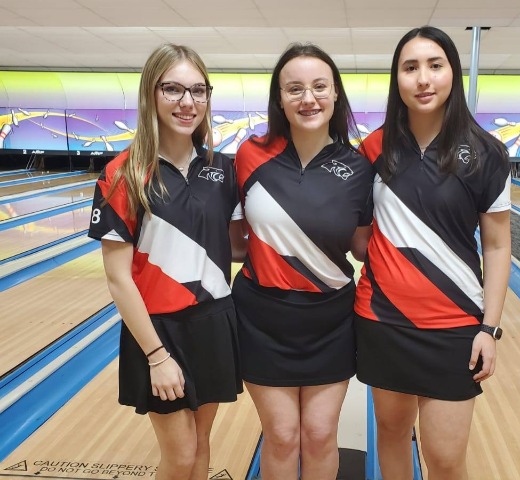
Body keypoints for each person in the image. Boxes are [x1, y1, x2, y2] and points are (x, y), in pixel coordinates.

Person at [355, 26, 511, 479]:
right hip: (384, 321)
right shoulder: (373, 149)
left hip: (455, 326)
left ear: (452, 74)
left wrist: (490, 328)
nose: (423, 79)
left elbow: (499, 246)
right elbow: (360, 234)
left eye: (435, 65)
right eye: (410, 68)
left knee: (445, 458)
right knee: (391, 435)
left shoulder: (487, 153)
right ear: (396, 78)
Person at [88, 43, 244, 480]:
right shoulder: (123, 174)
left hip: (215, 321)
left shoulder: (222, 170)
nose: (187, 102)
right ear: (150, 94)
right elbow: (118, 279)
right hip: (159, 331)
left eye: (198, 90)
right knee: (178, 454)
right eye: (173, 89)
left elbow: (235, 247)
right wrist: (157, 356)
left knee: (200, 447)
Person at [232, 43, 374, 480]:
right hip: (262, 317)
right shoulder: (250, 155)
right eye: (294, 88)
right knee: (281, 435)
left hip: (330, 320)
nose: (307, 98)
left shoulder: (359, 168)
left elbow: (363, 248)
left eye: (318, 87)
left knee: (318, 433)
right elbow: (235, 240)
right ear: (279, 98)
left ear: (335, 95)